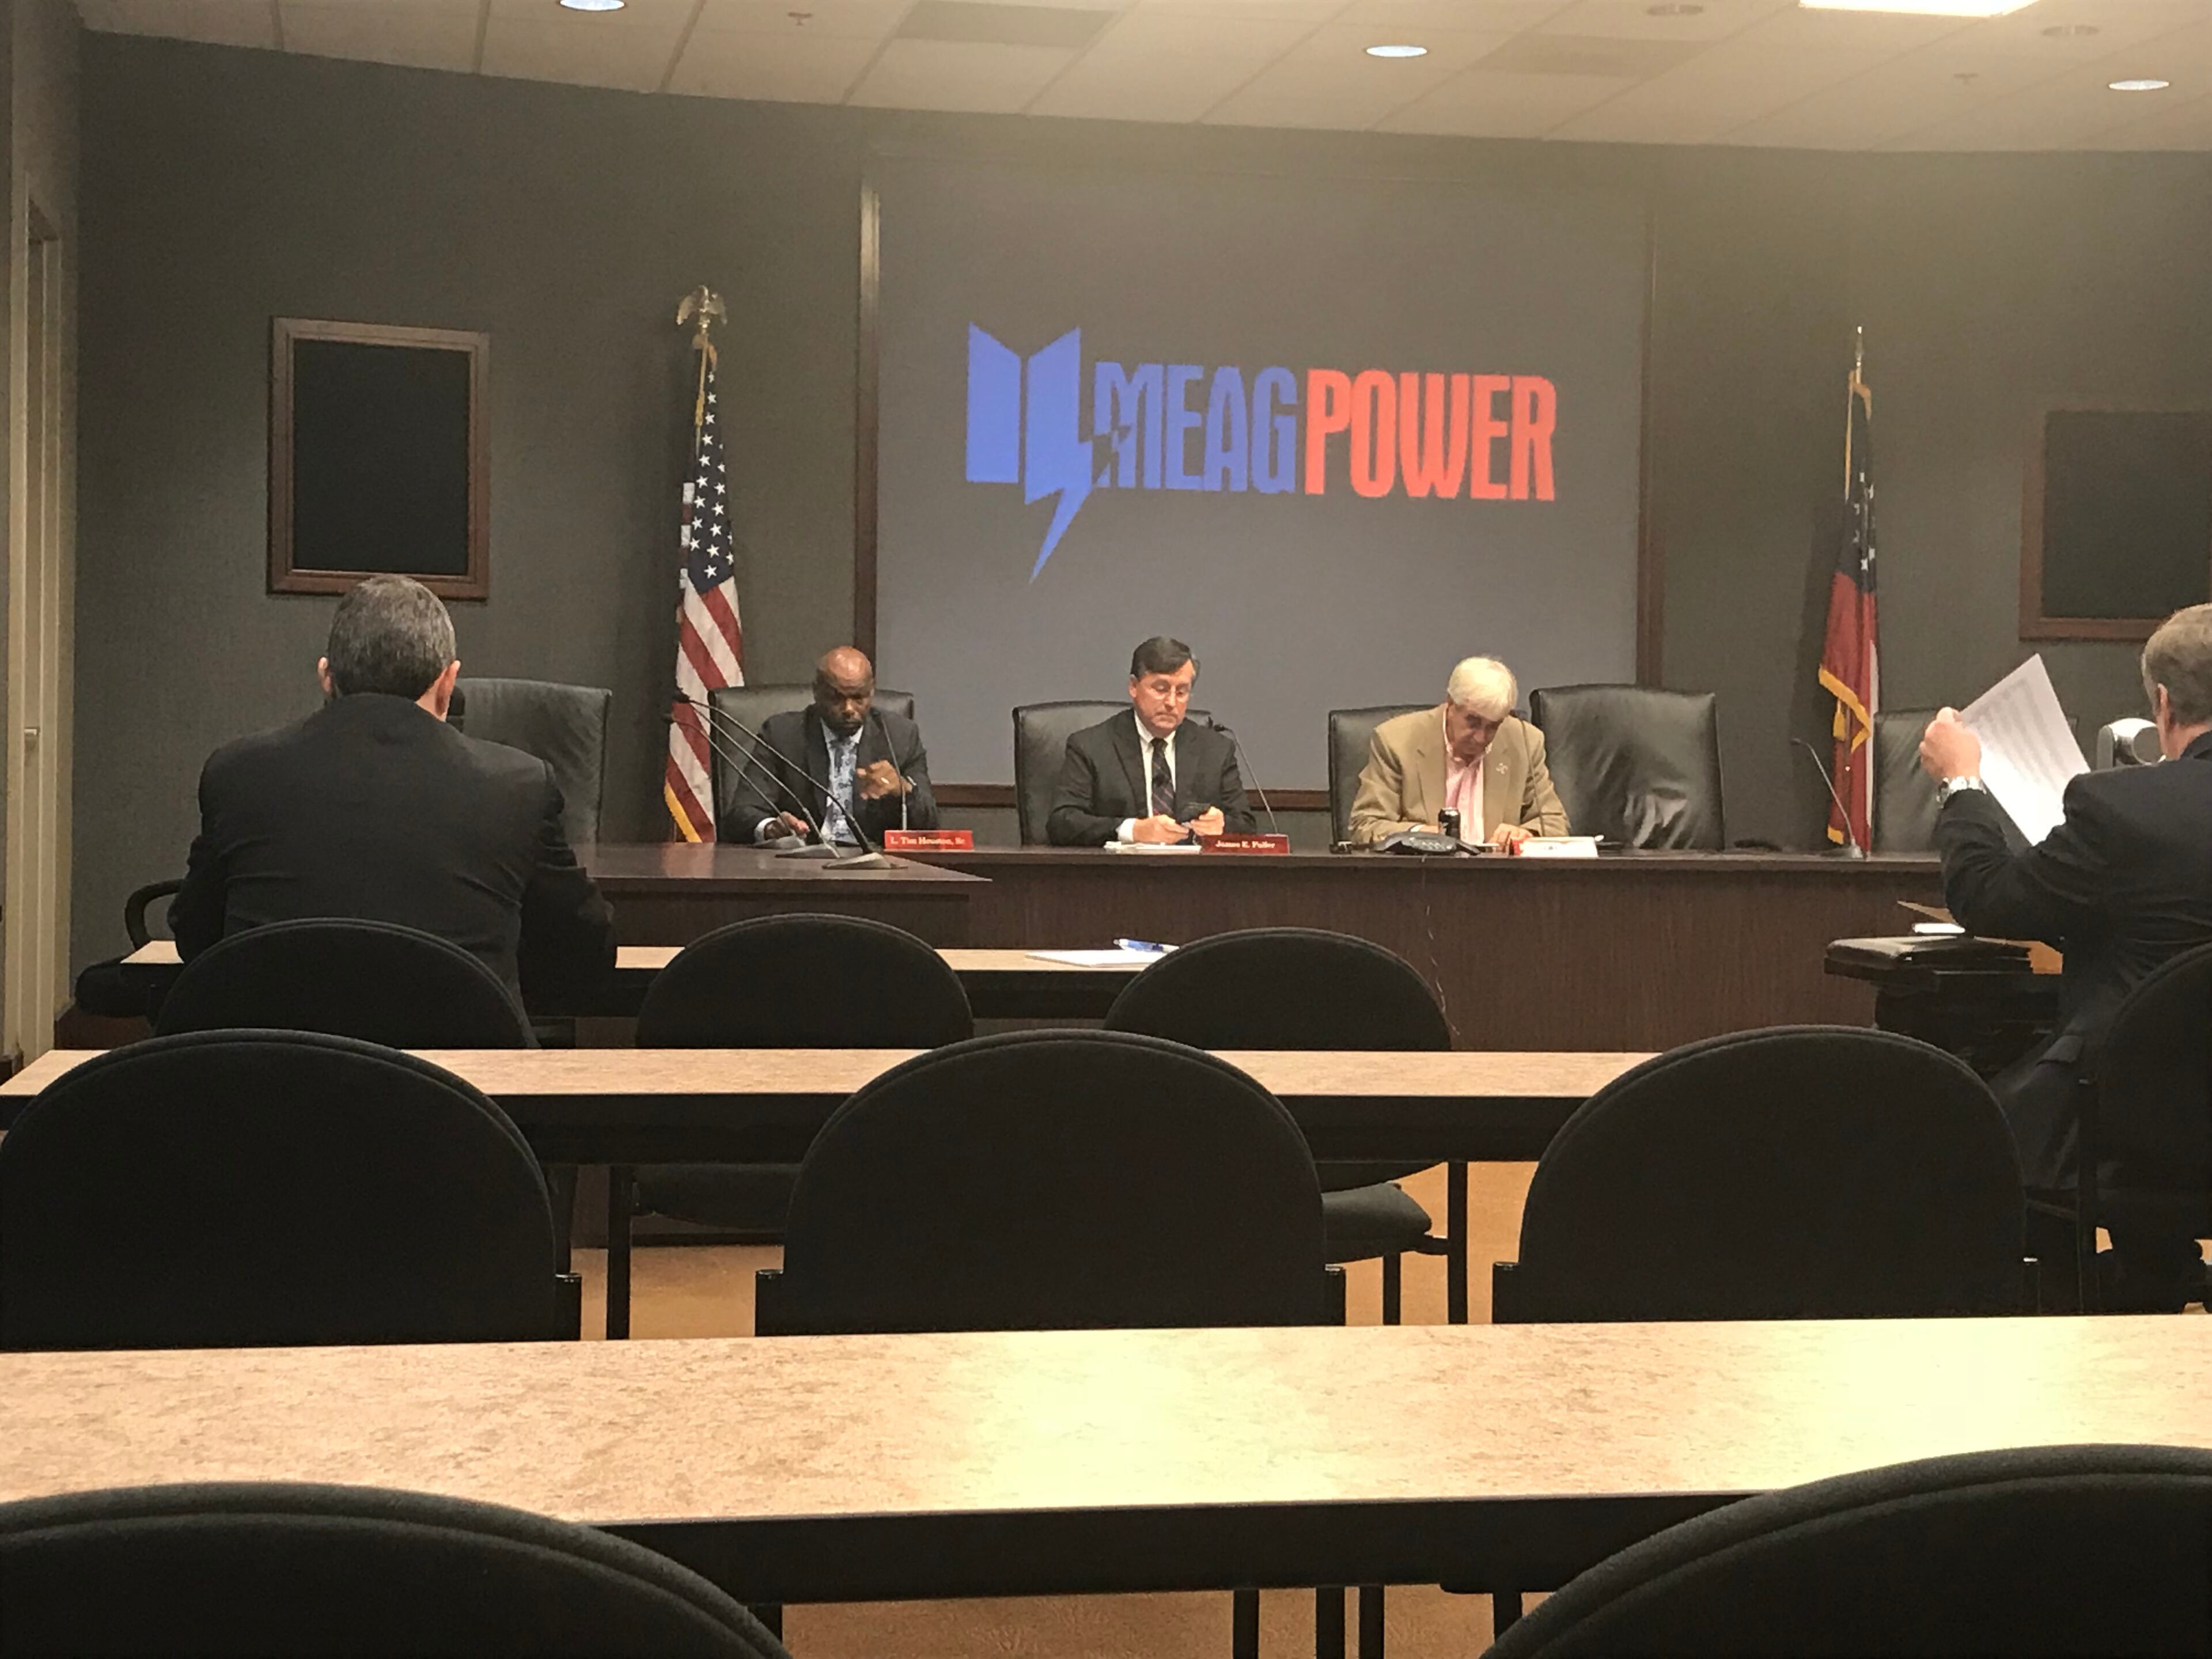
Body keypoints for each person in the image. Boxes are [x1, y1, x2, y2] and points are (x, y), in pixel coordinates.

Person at [1919, 602, 2212, 1310]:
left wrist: (1961, 782)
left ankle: (2053, 1318)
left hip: (2124, 1124)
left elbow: (1989, 897)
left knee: (1955, 1133)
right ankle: (2158, 1272)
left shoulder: (2125, 810)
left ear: (2164, 704)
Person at [173, 574, 615, 1006]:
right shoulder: (519, 787)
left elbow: (196, 937)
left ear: (326, 676)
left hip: (276, 1065)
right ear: (448, 682)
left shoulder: (238, 773)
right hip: (459, 1071)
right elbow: (584, 956)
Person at [1047, 637, 1255, 846]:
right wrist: (1132, 830)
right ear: (1134, 687)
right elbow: (1063, 823)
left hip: (1195, 876)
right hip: (1118, 875)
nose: (1171, 703)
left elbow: (1246, 825)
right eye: (1161, 689)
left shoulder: (1216, 749)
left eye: (1182, 692)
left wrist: (1222, 827)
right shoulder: (1091, 747)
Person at [724, 646, 937, 847]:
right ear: (817, 692)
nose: (848, 709)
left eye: (858, 698)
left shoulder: (900, 736)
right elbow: (742, 812)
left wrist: (904, 790)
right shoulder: (783, 735)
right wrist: (771, 827)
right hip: (803, 866)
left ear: (871, 692)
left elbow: (930, 824)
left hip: (876, 868)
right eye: (836, 698)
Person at [1348, 656, 1570, 847]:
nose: (1481, 737)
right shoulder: (1396, 742)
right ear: (1450, 704)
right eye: (1473, 722)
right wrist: (1421, 835)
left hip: (1500, 883)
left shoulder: (1524, 741)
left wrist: (1527, 834)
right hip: (1422, 881)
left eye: (1493, 726)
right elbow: (1366, 826)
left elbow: (1553, 822)